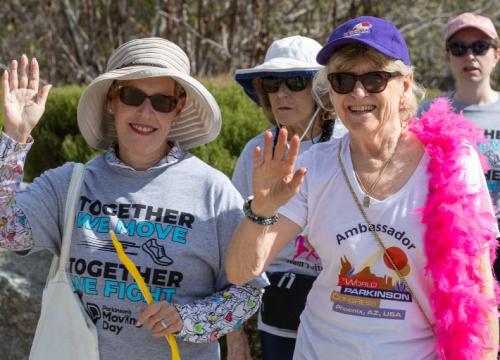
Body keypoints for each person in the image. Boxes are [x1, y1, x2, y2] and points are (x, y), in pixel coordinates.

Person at [226, 16, 499, 360]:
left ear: (405, 84)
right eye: (342, 80)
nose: (357, 93)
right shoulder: (316, 166)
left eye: (374, 79)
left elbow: (478, 290)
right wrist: (260, 211)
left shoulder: (452, 162)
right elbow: (240, 270)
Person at [0, 38, 263, 360]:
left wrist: (186, 319)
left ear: (178, 108)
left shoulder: (212, 190)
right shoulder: (70, 183)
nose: (145, 112)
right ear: (112, 100)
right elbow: (6, 232)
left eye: (162, 102)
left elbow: (247, 292)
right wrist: (14, 137)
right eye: (133, 95)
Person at [228, 35, 345, 360]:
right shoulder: (256, 151)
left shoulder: (348, 143)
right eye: (271, 83)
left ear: (320, 89)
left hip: (343, 309)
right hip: (279, 310)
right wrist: (234, 336)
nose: (281, 93)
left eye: (295, 81)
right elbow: (231, 240)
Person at [418, 12, 500, 279]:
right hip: (451, 248)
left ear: (496, 54)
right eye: (459, 48)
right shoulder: (427, 113)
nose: (470, 56)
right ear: (448, 57)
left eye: (480, 47)